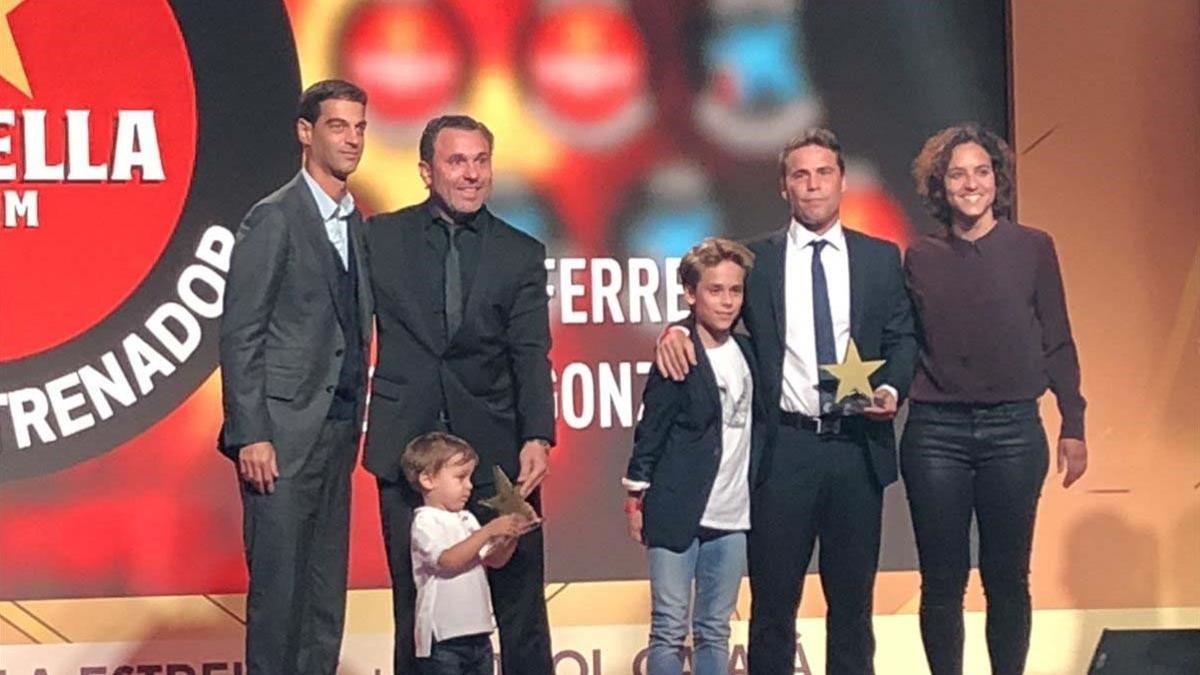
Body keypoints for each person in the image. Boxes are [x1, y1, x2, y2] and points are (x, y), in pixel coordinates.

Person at [656, 128, 917, 674]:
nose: (813, 184)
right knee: (774, 607)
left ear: (841, 181)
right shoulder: (757, 260)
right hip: (782, 453)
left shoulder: (879, 257)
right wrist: (675, 331)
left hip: (855, 449)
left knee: (852, 607)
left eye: (824, 173)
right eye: (801, 174)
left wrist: (890, 388)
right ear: (784, 188)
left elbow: (901, 337)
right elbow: (714, 306)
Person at [365, 115, 557, 675]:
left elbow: (530, 351)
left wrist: (538, 436)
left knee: (519, 602)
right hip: (407, 449)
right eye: (456, 161)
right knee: (417, 608)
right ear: (426, 171)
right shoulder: (381, 237)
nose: (471, 175)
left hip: (499, 455)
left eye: (481, 161)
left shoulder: (520, 251)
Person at [902, 123, 1088, 675]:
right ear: (941, 185)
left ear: (997, 180)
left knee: (1007, 576)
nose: (971, 182)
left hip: (1014, 431)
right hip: (936, 433)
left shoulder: (1034, 248)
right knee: (941, 580)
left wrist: (1073, 422)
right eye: (958, 173)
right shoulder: (919, 255)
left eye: (981, 171)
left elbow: (1057, 337)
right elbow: (903, 339)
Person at [218, 79, 371, 675]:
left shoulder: (355, 220)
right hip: (279, 439)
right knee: (280, 599)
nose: (353, 139)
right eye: (339, 126)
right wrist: (250, 432)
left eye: (360, 127)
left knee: (322, 599)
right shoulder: (274, 218)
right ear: (306, 133)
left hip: (335, 436)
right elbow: (241, 332)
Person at [624, 238, 765, 675]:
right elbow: (652, 429)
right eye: (715, 290)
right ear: (690, 293)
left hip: (733, 516)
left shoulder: (749, 352)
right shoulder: (679, 350)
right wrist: (636, 494)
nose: (726, 301)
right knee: (668, 627)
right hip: (676, 507)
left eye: (735, 291)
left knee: (714, 628)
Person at [404, 432, 539, 675]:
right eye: (460, 478)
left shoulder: (467, 518)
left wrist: (511, 534)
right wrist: (489, 531)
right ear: (428, 479)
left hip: (478, 635)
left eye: (470, 478)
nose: (470, 486)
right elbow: (447, 560)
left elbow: (494, 560)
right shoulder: (425, 521)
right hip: (443, 640)